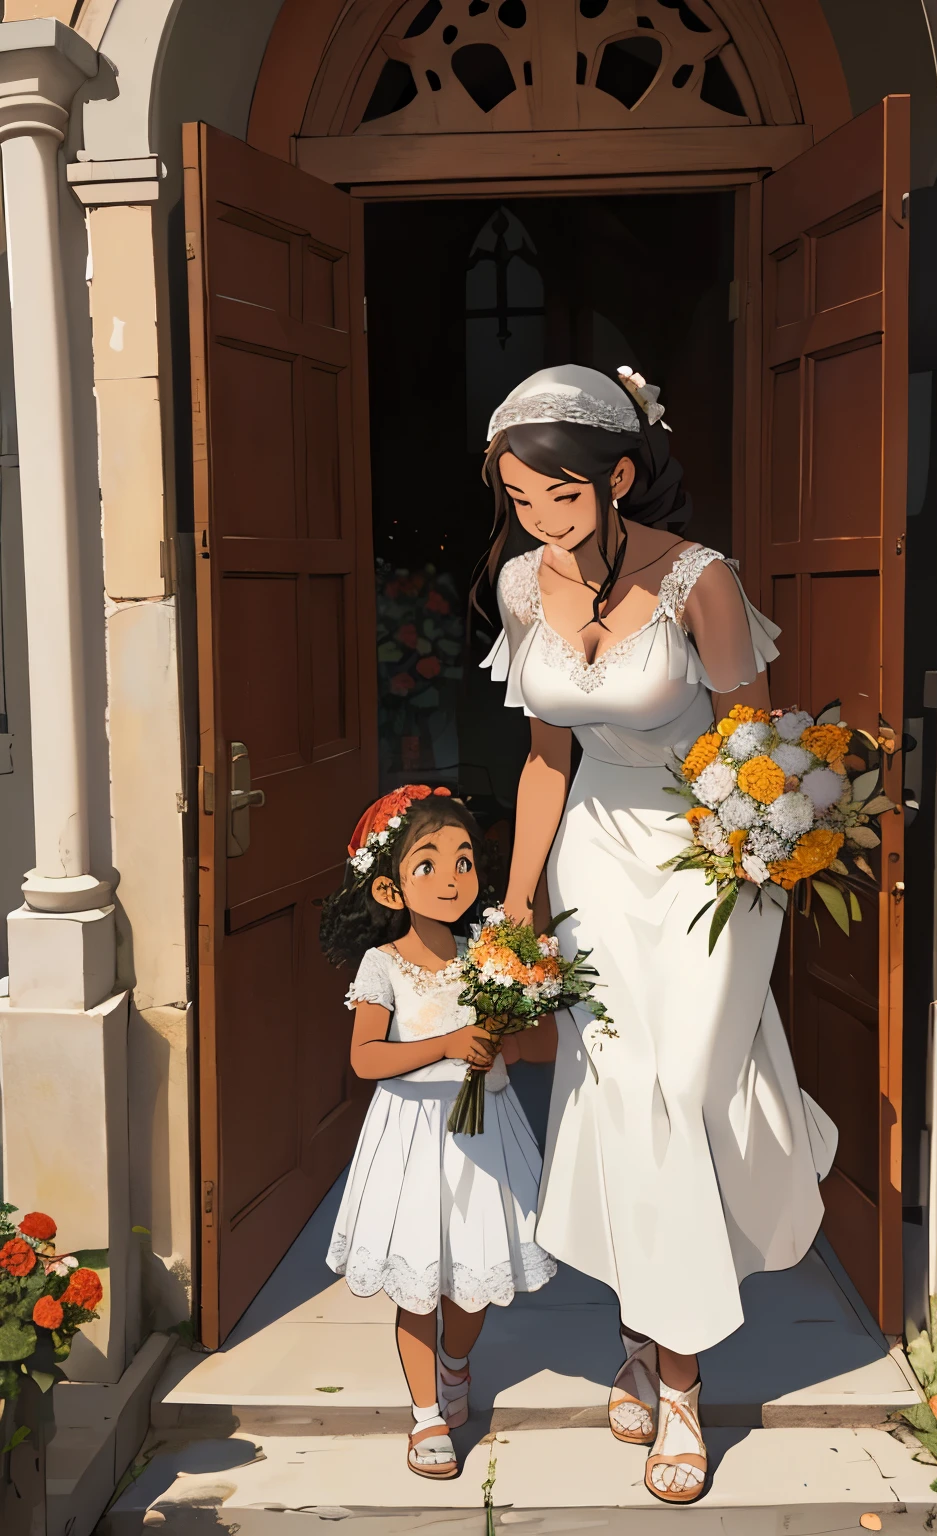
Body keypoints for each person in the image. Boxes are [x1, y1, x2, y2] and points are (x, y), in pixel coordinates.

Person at [475, 365, 837, 1504]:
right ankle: (666, 1364)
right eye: (521, 501)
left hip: (710, 860)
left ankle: (663, 1351)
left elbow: (758, 746)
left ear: (620, 475)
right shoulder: (523, 587)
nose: (541, 522)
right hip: (592, 859)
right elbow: (546, 759)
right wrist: (521, 898)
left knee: (682, 1091)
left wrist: (750, 848)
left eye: (562, 498)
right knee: (622, 1096)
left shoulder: (701, 582)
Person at [319, 784, 556, 1480]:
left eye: (464, 862)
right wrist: (449, 1044)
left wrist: (510, 1029)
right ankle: (425, 1416)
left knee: (471, 1287)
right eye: (428, 866)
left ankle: (457, 1362)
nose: (451, 879)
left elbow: (534, 1048)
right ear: (391, 891)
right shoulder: (383, 966)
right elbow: (366, 1058)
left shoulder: (490, 957)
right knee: (418, 1285)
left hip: (484, 1137)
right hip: (413, 1139)